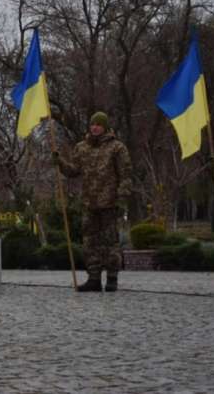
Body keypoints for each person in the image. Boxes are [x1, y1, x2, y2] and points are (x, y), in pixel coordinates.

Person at [52, 112, 133, 293]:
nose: (94, 127)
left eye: (98, 124)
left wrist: (122, 198)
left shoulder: (117, 148)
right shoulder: (82, 148)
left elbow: (125, 175)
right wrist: (59, 162)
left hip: (110, 203)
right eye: (92, 124)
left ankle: (112, 278)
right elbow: (74, 171)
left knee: (110, 243)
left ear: (105, 126)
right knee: (90, 243)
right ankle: (93, 278)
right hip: (89, 203)